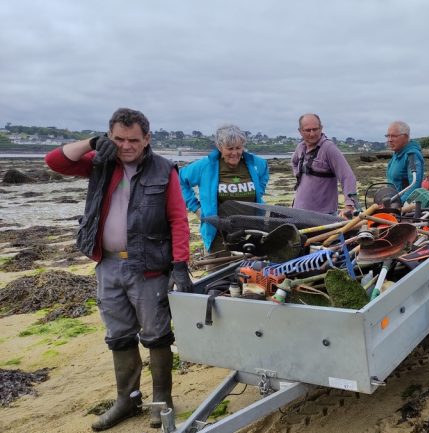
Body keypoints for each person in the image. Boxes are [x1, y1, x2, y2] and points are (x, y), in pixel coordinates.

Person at [44, 108, 192, 430]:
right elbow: (55, 161)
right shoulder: (101, 163)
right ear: (110, 137)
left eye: (133, 140)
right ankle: (128, 399)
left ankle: (161, 401)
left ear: (147, 139)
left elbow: (178, 220)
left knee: (156, 336)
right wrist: (92, 142)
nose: (126, 146)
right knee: (119, 336)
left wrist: (180, 265)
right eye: (118, 139)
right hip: (108, 265)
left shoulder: (164, 170)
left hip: (148, 267)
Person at [180, 124, 269, 256]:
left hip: (251, 233)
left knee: (249, 275)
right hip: (218, 236)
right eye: (230, 148)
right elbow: (179, 180)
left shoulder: (256, 163)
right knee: (218, 276)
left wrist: (259, 192)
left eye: (238, 148)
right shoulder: (206, 165)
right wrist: (196, 208)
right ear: (220, 147)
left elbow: (264, 174)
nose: (235, 153)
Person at [292, 113, 357, 215]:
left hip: (323, 215)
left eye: (315, 129)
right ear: (300, 131)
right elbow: (294, 162)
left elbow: (347, 176)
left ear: (321, 128)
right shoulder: (300, 147)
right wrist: (297, 174)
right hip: (298, 211)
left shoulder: (329, 148)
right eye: (308, 130)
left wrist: (349, 205)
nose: (312, 134)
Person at [385, 120, 424, 201]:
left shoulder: (412, 155)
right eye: (388, 136)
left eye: (394, 136)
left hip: (403, 208)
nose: (389, 140)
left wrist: (399, 204)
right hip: (392, 202)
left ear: (405, 137)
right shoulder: (397, 153)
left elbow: (415, 186)